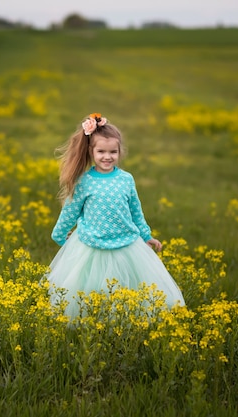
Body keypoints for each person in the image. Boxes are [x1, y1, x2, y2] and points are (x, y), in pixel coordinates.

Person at [46, 113, 185, 318]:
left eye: (113, 152)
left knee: (126, 288)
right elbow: (71, 210)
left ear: (120, 152)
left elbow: (135, 211)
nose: (107, 156)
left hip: (126, 244)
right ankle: (94, 324)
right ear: (91, 152)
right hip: (91, 244)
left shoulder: (126, 180)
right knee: (91, 288)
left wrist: (146, 235)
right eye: (101, 151)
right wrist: (60, 234)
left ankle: (124, 323)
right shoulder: (84, 181)